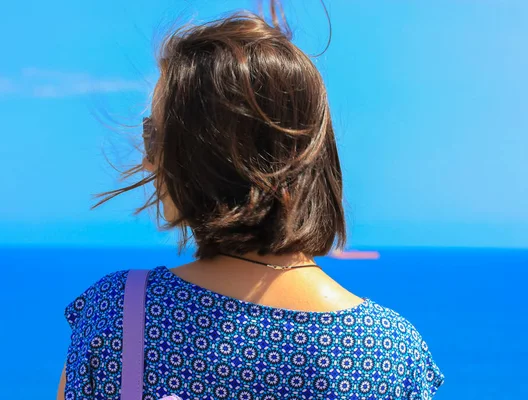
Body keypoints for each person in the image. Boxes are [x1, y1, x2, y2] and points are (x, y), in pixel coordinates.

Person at [57, 3, 444, 399]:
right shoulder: (389, 355)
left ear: (198, 156)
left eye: (153, 135)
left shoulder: (121, 316)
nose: (146, 156)